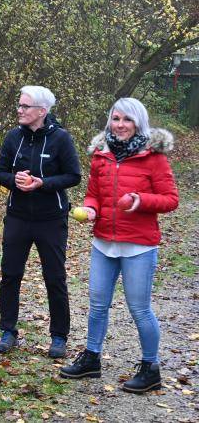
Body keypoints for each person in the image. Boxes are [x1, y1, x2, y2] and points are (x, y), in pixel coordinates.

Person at [60, 98, 178, 393]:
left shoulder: (155, 157)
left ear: (138, 122)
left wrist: (141, 200)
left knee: (139, 309)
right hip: (104, 243)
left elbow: (171, 199)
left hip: (138, 246)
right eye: (115, 119)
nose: (120, 125)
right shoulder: (101, 155)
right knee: (97, 305)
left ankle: (150, 368)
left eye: (127, 119)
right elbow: (93, 194)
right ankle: (91, 359)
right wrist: (90, 209)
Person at [0, 85, 81, 358]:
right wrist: (15, 181)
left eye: (25, 106)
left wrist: (43, 184)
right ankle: (8, 330)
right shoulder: (12, 138)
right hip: (18, 217)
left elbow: (73, 176)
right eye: (19, 106)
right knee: (10, 274)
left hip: (51, 219)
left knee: (54, 277)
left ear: (42, 111)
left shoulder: (61, 139)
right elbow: (0, 173)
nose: (19, 110)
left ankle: (59, 337)